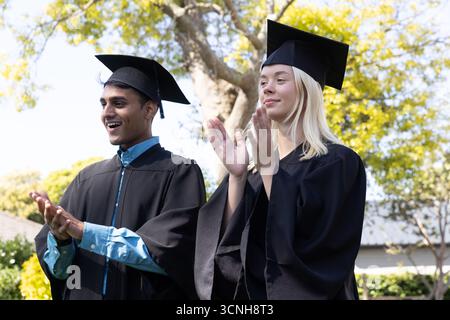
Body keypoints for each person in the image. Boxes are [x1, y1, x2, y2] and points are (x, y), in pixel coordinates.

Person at [194, 20, 366, 300]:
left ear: (307, 89)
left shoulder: (338, 162)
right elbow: (228, 245)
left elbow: (315, 246)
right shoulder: (252, 167)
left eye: (280, 80)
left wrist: (267, 166)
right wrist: (237, 177)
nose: (267, 89)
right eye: (263, 82)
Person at [31, 54, 206, 300]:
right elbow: (60, 273)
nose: (107, 113)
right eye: (103, 104)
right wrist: (61, 240)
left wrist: (83, 231)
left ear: (149, 109)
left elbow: (170, 254)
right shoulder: (87, 179)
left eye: (118, 103)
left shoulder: (180, 172)